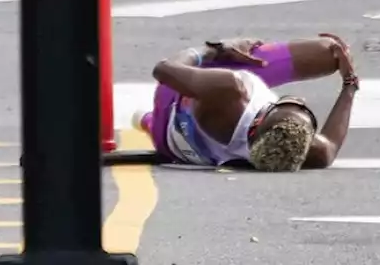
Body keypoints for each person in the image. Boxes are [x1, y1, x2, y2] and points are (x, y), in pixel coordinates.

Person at [134, 33, 360, 172]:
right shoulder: (293, 151)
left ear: (259, 119)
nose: (301, 99)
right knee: (330, 52)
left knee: (215, 64)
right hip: (177, 144)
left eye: (290, 103)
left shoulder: (230, 90)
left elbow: (163, 70)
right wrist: (349, 85)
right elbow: (330, 147)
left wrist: (216, 50)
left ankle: (150, 121)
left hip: (171, 101)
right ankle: (147, 122)